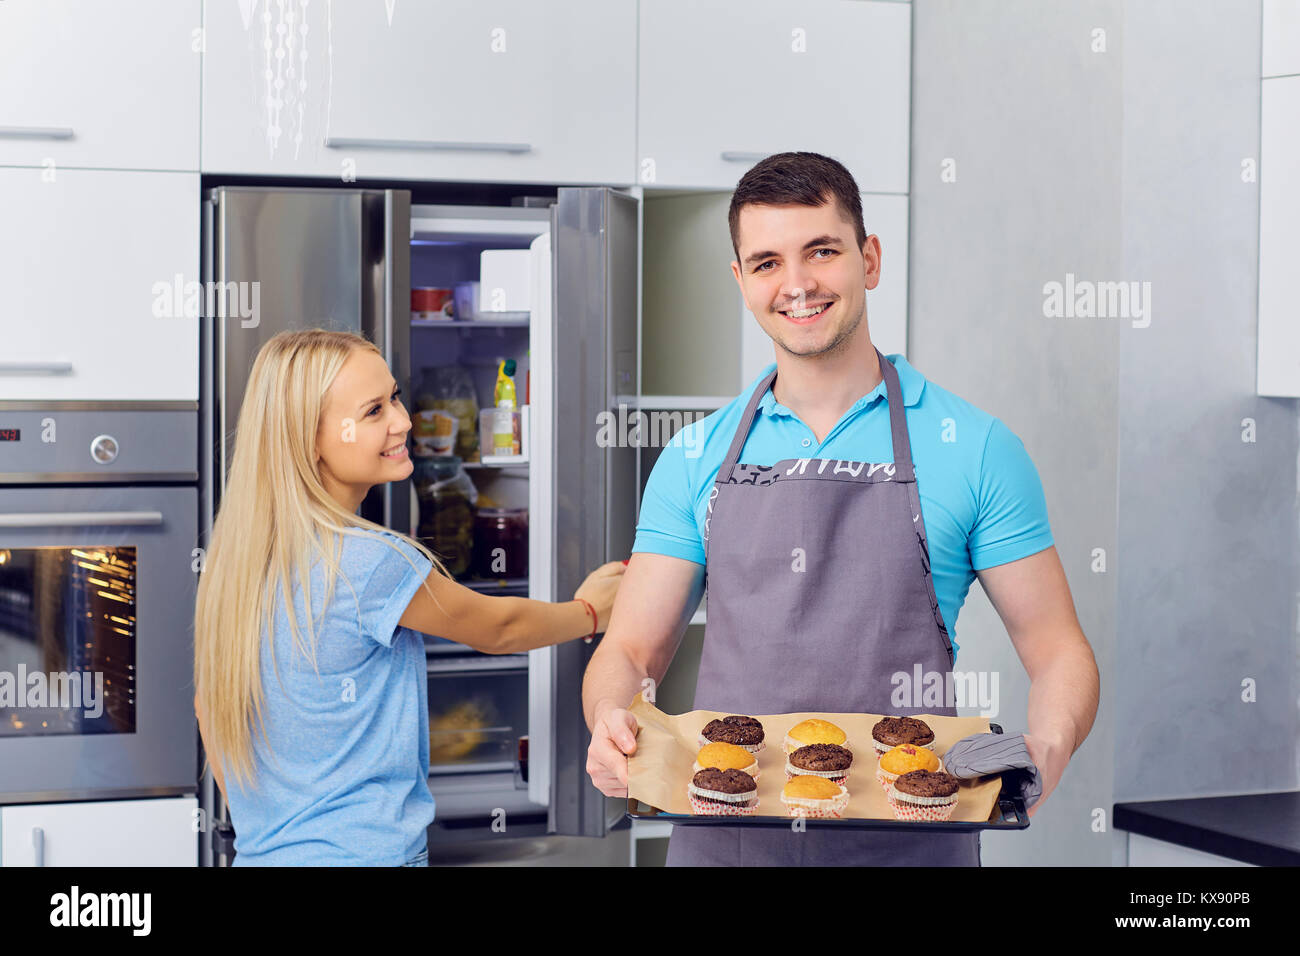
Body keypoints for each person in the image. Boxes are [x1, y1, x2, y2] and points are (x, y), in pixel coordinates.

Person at [583, 152, 1098, 866]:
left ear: (870, 259)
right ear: (742, 282)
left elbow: (1058, 649)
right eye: (766, 263)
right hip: (727, 843)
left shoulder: (975, 447)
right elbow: (633, 649)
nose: (796, 285)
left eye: (821, 251)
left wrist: (1048, 742)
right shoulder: (693, 457)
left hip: (913, 840)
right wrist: (611, 716)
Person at [194, 328, 625, 866]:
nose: (403, 420)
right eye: (374, 411)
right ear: (309, 439)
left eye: (394, 397)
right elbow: (498, 627)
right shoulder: (369, 562)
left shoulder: (236, 563)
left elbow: (208, 706)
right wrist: (591, 611)